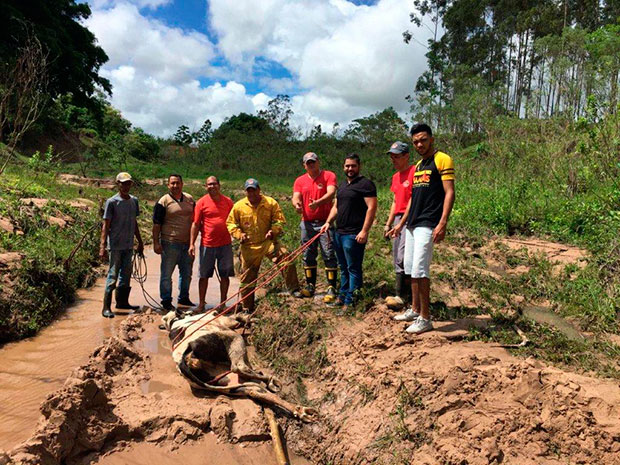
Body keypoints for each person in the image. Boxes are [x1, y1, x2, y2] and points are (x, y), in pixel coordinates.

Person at [390, 123, 455, 334]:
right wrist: (401, 224)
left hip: (428, 222)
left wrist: (442, 222)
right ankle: (415, 309)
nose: (419, 144)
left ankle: (425, 318)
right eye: (416, 141)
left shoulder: (442, 160)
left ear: (431, 139)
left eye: (423, 140)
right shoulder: (418, 166)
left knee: (420, 270)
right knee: (410, 269)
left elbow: (449, 193)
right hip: (412, 223)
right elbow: (412, 198)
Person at [227, 178, 302, 312]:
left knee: (286, 258)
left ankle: (294, 289)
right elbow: (230, 224)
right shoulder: (238, 206)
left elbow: (279, 221)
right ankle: (247, 308)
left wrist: (273, 231)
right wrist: (239, 234)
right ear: (246, 192)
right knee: (247, 279)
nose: (252, 194)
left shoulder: (270, 203)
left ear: (259, 190)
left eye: (254, 190)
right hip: (249, 246)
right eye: (249, 191)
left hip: (268, 242)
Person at [320, 154, 377, 307]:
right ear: (343, 167)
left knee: (353, 268)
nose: (350, 169)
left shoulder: (366, 184)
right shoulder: (343, 185)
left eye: (353, 166)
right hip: (339, 233)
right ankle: (343, 296)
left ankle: (352, 301)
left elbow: (371, 208)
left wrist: (364, 231)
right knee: (343, 268)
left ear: (359, 166)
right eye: (347, 166)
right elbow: (336, 207)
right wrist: (328, 222)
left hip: (354, 234)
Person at [292, 152, 339, 304]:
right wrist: (297, 204)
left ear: (318, 162)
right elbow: (296, 196)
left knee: (329, 253)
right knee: (308, 254)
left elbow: (331, 193)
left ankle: (331, 287)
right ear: (304, 165)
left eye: (313, 161)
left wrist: (318, 203)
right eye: (308, 163)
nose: (311, 164)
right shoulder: (300, 180)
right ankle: (310, 285)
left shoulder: (328, 176)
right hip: (307, 223)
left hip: (325, 222)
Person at [99, 172, 144, 318]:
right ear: (117, 184)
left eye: (128, 183)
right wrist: (102, 246)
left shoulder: (134, 201)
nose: (126, 186)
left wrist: (140, 241)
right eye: (123, 183)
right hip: (116, 245)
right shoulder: (112, 202)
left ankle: (122, 302)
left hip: (128, 245)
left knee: (126, 275)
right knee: (112, 276)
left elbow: (134, 222)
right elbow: (106, 225)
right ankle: (106, 307)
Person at [189, 176, 234, 313]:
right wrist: (192, 244)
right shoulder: (201, 203)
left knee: (225, 275)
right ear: (205, 186)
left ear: (219, 185)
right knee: (203, 276)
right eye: (209, 184)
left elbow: (235, 220)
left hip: (225, 244)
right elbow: (195, 224)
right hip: (207, 244)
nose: (212, 186)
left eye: (214, 184)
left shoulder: (228, 201)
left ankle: (223, 304)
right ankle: (201, 304)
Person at [153, 174, 195, 311]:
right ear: (168, 185)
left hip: (187, 243)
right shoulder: (163, 201)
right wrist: (156, 243)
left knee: (187, 273)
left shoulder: (189, 200)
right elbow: (156, 224)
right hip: (169, 243)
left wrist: (193, 242)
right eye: (172, 183)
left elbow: (196, 221)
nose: (175, 186)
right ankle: (166, 300)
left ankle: (184, 298)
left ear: (182, 184)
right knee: (166, 274)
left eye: (177, 183)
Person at [384, 141, 415, 310]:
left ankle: (407, 296)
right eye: (392, 157)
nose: (393, 160)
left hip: (409, 219)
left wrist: (401, 223)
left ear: (406, 156)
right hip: (398, 219)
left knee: (405, 256)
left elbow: (412, 199)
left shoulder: (414, 172)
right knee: (397, 255)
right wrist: (388, 224)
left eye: (396, 156)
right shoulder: (396, 177)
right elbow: (395, 201)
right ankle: (399, 294)